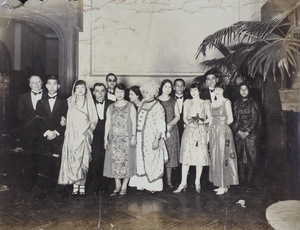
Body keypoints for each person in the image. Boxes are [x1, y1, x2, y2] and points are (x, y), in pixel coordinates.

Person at [58, 80, 98, 197]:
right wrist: (63, 120)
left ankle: (82, 186)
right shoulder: (69, 101)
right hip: (72, 136)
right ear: (74, 89)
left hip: (84, 136)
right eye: (78, 88)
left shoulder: (89, 102)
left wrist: (88, 132)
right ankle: (75, 186)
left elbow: (94, 120)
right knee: (72, 160)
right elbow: (65, 117)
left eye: (82, 88)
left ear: (86, 89)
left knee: (83, 160)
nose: (80, 90)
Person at [129, 80, 168, 193]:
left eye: (146, 92)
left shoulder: (158, 106)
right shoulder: (142, 103)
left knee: (151, 160)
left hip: (151, 138)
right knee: (140, 160)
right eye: (143, 92)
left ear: (153, 93)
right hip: (140, 137)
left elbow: (161, 125)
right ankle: (141, 185)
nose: (144, 94)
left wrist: (156, 139)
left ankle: (153, 186)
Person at [174, 83, 211, 194]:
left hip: (201, 132)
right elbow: (184, 117)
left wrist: (202, 122)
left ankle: (197, 182)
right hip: (189, 131)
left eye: (195, 90)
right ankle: (183, 182)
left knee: (199, 157)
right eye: (191, 90)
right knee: (186, 157)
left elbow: (210, 118)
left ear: (199, 91)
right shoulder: (187, 102)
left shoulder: (205, 103)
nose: (193, 92)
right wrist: (190, 124)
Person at [35, 76, 68, 199]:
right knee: (45, 163)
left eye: (55, 84)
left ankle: (61, 189)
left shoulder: (64, 102)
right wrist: (47, 132)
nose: (52, 86)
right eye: (50, 84)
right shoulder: (40, 102)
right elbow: (38, 121)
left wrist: (56, 132)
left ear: (58, 86)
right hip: (45, 137)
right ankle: (46, 188)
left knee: (59, 162)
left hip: (58, 137)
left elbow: (65, 119)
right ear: (46, 86)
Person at [103, 83, 137, 197]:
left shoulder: (130, 105)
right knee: (116, 162)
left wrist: (133, 137)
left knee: (126, 162)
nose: (119, 94)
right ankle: (117, 185)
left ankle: (124, 186)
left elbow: (134, 122)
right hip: (114, 139)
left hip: (126, 139)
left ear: (124, 93)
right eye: (117, 92)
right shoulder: (110, 107)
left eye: (121, 92)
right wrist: (105, 138)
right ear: (114, 93)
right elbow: (107, 123)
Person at [17, 75, 46, 192]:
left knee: (42, 159)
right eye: (33, 82)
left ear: (42, 83)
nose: (36, 84)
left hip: (44, 133)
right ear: (29, 84)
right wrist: (29, 125)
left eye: (38, 82)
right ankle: (29, 183)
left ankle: (41, 183)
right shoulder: (23, 97)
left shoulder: (47, 96)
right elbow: (20, 114)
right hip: (28, 133)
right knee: (29, 159)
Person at [209, 82, 239, 195]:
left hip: (223, 132)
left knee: (223, 157)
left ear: (223, 91)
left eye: (220, 90)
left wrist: (221, 124)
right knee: (215, 157)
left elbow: (230, 119)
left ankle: (224, 184)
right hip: (214, 131)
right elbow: (211, 119)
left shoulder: (226, 102)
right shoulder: (213, 103)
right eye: (216, 89)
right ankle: (221, 184)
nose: (217, 91)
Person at [233, 82, 261, 190]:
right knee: (239, 156)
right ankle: (242, 180)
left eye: (245, 89)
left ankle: (249, 181)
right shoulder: (235, 103)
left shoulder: (254, 103)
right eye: (241, 89)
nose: (243, 91)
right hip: (238, 134)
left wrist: (247, 132)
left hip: (251, 134)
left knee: (251, 157)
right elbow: (234, 119)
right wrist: (239, 131)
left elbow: (255, 119)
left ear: (249, 90)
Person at [90, 83, 114, 194]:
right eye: (97, 91)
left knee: (107, 159)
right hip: (94, 136)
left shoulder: (112, 104)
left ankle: (105, 185)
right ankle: (96, 184)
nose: (100, 93)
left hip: (108, 135)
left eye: (102, 91)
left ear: (106, 92)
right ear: (93, 92)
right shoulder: (89, 105)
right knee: (95, 160)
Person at [157, 79, 180, 188]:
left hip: (171, 130)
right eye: (166, 86)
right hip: (158, 131)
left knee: (170, 155)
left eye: (170, 87)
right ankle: (158, 181)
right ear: (161, 87)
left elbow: (178, 116)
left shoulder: (173, 100)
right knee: (159, 154)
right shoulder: (156, 100)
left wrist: (170, 125)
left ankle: (169, 181)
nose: (168, 89)